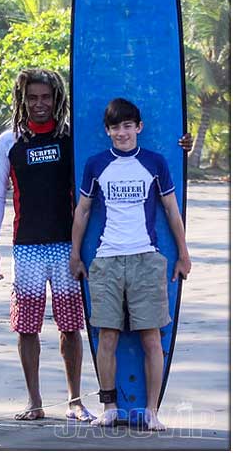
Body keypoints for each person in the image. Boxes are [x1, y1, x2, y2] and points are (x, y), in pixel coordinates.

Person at [70, 98, 191, 431]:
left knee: (151, 337)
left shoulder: (154, 162)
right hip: (106, 259)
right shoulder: (96, 164)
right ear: (107, 131)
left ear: (138, 127)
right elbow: (82, 211)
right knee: (106, 336)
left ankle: (152, 410)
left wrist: (183, 253)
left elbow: (170, 209)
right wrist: (75, 254)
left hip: (146, 258)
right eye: (115, 127)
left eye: (127, 126)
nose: (122, 133)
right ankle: (109, 407)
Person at [0, 68, 94, 422]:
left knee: (70, 325)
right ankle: (34, 401)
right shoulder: (9, 142)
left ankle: (75, 400)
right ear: (22, 99)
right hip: (27, 246)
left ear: (57, 99)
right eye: (32, 97)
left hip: (67, 245)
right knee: (27, 326)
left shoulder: (71, 139)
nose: (39, 104)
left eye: (46, 97)